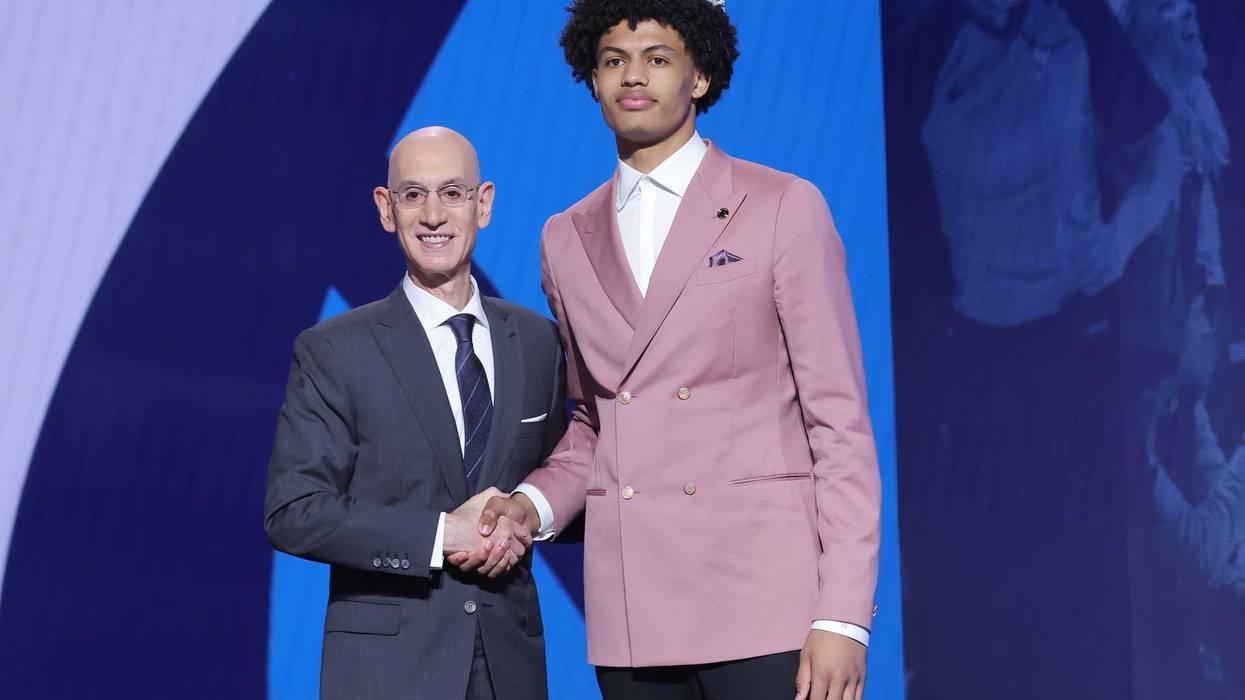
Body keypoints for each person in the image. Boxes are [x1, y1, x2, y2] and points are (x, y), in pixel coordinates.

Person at [462, 2, 882, 698]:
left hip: (767, 605)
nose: (634, 75)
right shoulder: (564, 237)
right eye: (613, 59)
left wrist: (842, 615)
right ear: (590, 79)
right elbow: (598, 420)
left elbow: (837, 424)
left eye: (658, 57)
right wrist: (530, 505)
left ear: (699, 76)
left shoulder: (781, 205)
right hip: (635, 610)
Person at [263, 127, 566, 700]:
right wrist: (439, 534)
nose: (433, 215)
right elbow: (295, 510)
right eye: (412, 195)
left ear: (484, 204)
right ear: (386, 208)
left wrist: (528, 515)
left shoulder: (537, 342)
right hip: (387, 672)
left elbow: (567, 484)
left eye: (452, 193)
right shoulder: (335, 350)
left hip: (511, 669)